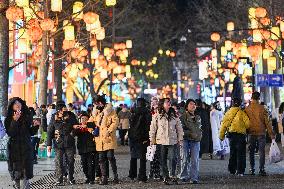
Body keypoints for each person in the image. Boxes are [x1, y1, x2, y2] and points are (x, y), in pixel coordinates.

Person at [149, 98, 183, 185]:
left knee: (173, 158)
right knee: (162, 159)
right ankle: (165, 176)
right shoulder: (157, 114)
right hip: (161, 141)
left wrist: (180, 139)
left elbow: (179, 128)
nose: (169, 103)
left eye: (169, 102)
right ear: (162, 104)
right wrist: (152, 139)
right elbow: (153, 128)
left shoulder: (174, 114)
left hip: (172, 140)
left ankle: (173, 175)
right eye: (167, 102)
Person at [4, 97, 36, 189]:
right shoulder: (8, 119)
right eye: (15, 103)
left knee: (26, 172)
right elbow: (10, 133)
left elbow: (30, 132)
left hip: (26, 147)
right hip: (15, 149)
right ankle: (17, 186)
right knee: (17, 172)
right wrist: (15, 120)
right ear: (11, 106)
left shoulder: (26, 116)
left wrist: (35, 126)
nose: (18, 104)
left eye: (19, 103)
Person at [89, 95, 119, 185]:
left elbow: (115, 121)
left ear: (101, 102)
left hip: (108, 138)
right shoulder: (95, 111)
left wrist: (109, 131)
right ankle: (104, 178)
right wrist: (91, 130)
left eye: (97, 103)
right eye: (95, 104)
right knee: (101, 159)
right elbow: (91, 122)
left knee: (110, 157)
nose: (97, 105)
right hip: (99, 139)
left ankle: (115, 176)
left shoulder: (110, 110)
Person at [47, 103, 78, 185]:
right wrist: (49, 144)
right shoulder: (54, 116)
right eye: (61, 110)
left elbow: (76, 126)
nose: (63, 111)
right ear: (58, 110)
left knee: (70, 161)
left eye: (64, 108)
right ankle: (59, 179)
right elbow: (50, 130)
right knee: (59, 161)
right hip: (58, 142)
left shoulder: (71, 115)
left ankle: (71, 177)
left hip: (69, 141)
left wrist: (73, 133)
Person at [245, 92, 275, 176]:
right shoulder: (262, 108)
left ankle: (252, 169)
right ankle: (261, 169)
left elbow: (245, 121)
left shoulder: (247, 108)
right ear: (259, 98)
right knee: (261, 151)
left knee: (251, 151)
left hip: (251, 132)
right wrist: (271, 133)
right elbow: (267, 122)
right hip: (261, 132)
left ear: (252, 98)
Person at [219, 97, 250, 176]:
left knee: (233, 153)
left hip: (232, 136)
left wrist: (221, 136)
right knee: (241, 153)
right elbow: (248, 124)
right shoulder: (242, 113)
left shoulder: (228, 112)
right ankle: (240, 171)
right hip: (241, 136)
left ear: (232, 104)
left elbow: (224, 125)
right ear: (240, 103)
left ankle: (232, 170)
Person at [128, 98, 152, 182]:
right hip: (143, 137)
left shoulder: (133, 111)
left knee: (133, 156)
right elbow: (148, 126)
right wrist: (147, 137)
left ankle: (132, 174)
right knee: (142, 157)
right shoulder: (147, 112)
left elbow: (130, 124)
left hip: (133, 137)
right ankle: (142, 176)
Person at [179, 99, 202, 184]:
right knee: (184, 158)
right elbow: (181, 129)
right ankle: (184, 176)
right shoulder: (182, 117)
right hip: (186, 140)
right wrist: (191, 133)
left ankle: (194, 177)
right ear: (187, 106)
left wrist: (199, 135)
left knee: (195, 160)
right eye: (191, 104)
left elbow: (199, 129)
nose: (193, 106)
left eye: (194, 104)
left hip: (196, 140)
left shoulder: (198, 117)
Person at [73, 112, 97, 185]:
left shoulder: (91, 125)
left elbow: (94, 130)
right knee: (84, 165)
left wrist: (87, 126)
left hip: (91, 148)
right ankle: (87, 177)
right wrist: (78, 128)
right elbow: (74, 133)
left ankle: (91, 179)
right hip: (82, 148)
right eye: (82, 119)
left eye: (85, 119)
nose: (84, 120)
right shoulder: (79, 127)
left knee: (90, 164)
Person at [148, 96, 162, 180]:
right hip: (151, 136)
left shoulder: (160, 111)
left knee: (158, 155)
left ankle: (156, 172)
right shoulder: (149, 112)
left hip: (159, 136)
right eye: (153, 101)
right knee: (152, 155)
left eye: (156, 101)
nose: (154, 103)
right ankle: (152, 172)